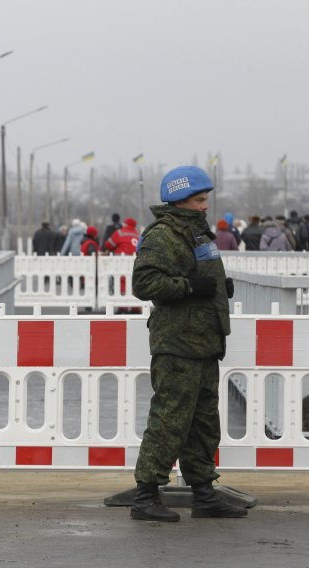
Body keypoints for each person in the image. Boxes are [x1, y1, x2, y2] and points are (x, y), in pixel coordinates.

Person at [129, 165, 247, 522]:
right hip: (178, 343)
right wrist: (191, 288)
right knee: (169, 420)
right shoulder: (163, 235)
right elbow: (145, 283)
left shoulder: (197, 234)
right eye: (199, 200)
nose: (204, 206)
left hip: (204, 343)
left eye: (205, 199)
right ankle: (145, 496)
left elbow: (201, 275)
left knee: (203, 423)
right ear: (180, 201)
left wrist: (215, 289)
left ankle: (204, 494)